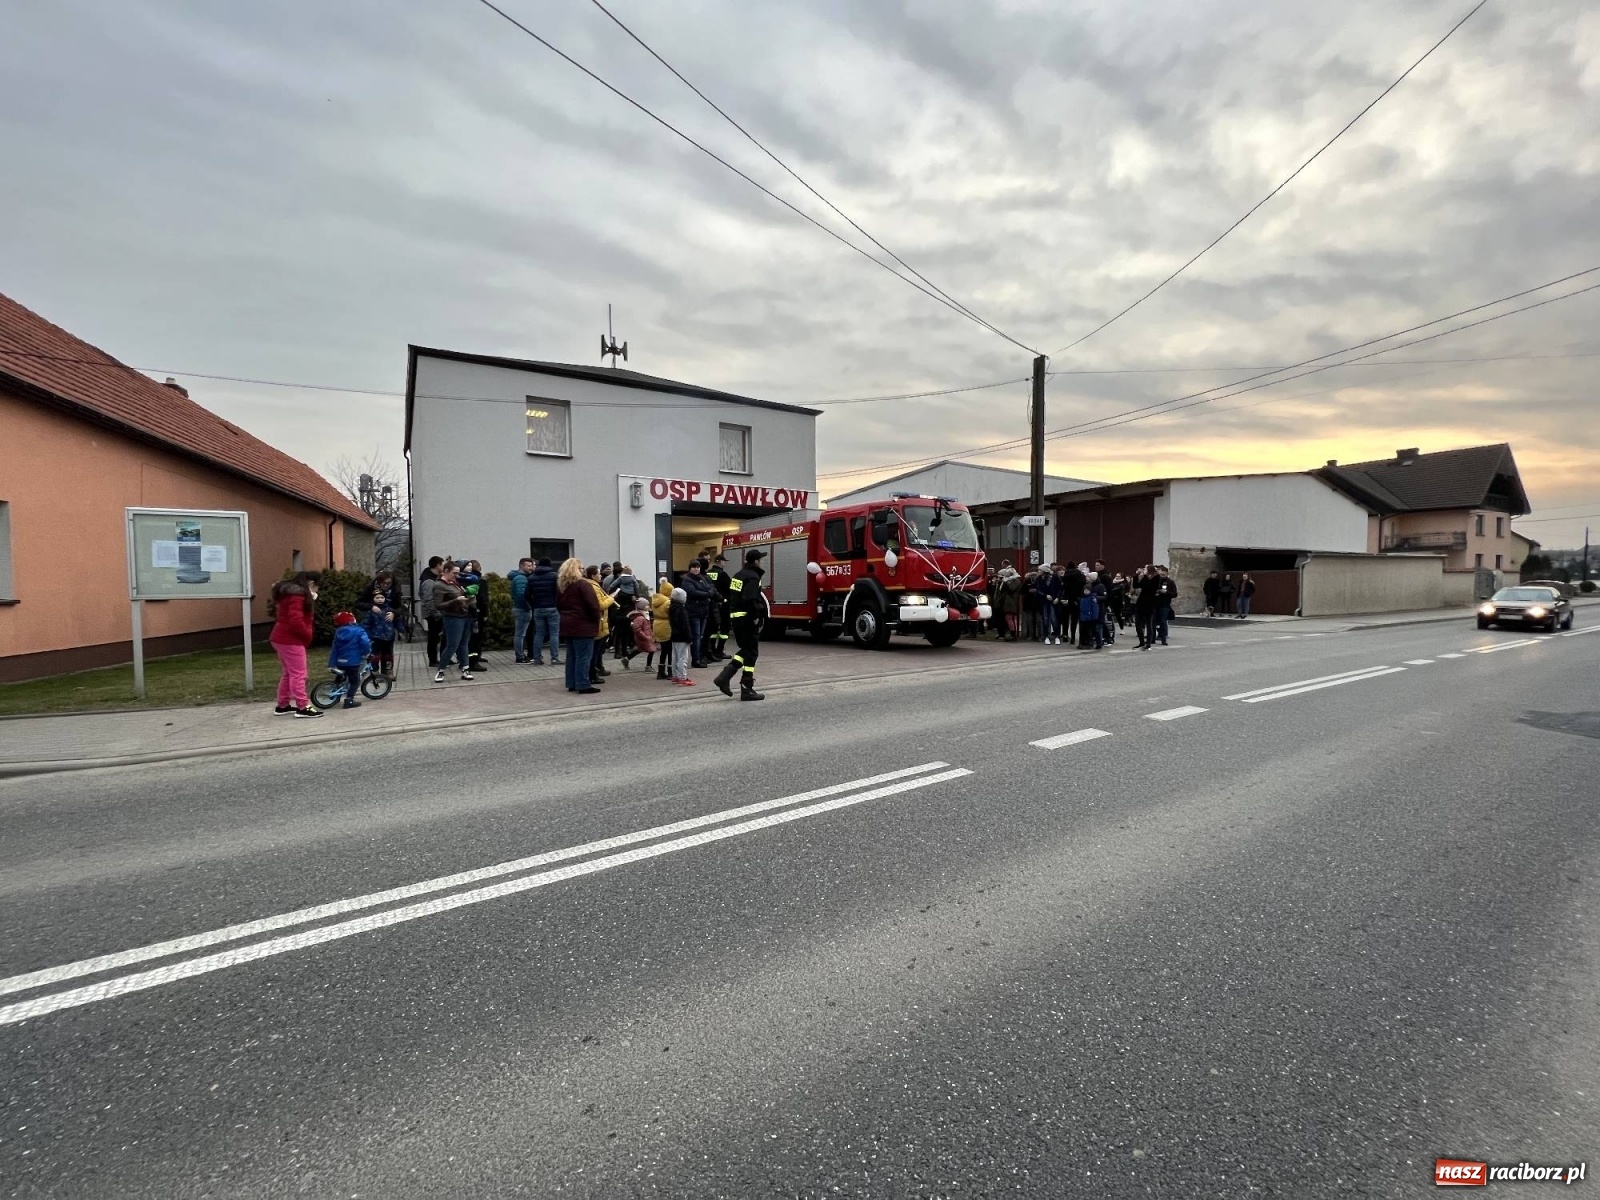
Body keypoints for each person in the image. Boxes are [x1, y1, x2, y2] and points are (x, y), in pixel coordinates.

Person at [714, 548, 769, 701]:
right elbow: (750, 598)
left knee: (746, 650)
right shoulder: (753, 577)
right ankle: (746, 689)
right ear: (756, 561)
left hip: (736, 618)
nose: (762, 561)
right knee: (751, 653)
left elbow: (735, 596)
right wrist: (757, 615)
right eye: (761, 559)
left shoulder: (738, 575)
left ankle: (724, 677)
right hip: (747, 619)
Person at [269, 571, 322, 717]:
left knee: (288, 673)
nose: (317, 590)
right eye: (317, 587)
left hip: (280, 637)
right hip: (290, 639)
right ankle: (303, 706)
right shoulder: (298, 596)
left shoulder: (289, 593)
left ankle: (282, 705)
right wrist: (307, 635)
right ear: (311, 584)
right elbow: (296, 620)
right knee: (299, 674)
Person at [556, 558, 601, 694]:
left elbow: (558, 605)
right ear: (576, 570)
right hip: (583, 624)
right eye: (581, 568)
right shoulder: (583, 585)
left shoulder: (562, 586)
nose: (583, 571)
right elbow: (593, 605)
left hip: (567, 623)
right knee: (583, 656)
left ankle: (572, 682)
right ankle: (583, 684)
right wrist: (596, 618)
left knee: (572, 656)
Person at [431, 562, 475, 682]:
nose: (457, 575)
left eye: (458, 572)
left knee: (464, 644)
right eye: (454, 573)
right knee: (452, 645)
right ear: (446, 571)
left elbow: (463, 594)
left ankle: (466, 669)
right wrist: (455, 601)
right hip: (453, 617)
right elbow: (438, 605)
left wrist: (469, 596)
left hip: (465, 615)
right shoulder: (439, 585)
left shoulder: (455, 582)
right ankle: (441, 671)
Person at [327, 611, 372, 709]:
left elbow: (334, 649)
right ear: (352, 620)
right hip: (353, 662)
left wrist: (331, 664)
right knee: (354, 681)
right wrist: (367, 652)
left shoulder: (338, 632)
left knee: (340, 678)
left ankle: (335, 695)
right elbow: (365, 643)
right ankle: (349, 700)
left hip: (340, 661)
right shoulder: (359, 631)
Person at [681, 558, 717, 668]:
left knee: (701, 636)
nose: (696, 569)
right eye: (694, 567)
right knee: (696, 637)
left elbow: (711, 588)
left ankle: (700, 657)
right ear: (690, 569)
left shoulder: (702, 578)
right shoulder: (687, 580)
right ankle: (696, 660)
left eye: (698, 567)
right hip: (694, 612)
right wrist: (707, 594)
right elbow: (692, 592)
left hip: (703, 612)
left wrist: (708, 592)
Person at [585, 565, 617, 685]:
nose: (600, 576)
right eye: (598, 574)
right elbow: (601, 605)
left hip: (602, 622)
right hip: (599, 622)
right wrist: (611, 598)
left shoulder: (595, 585)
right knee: (594, 651)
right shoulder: (593, 587)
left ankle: (596, 669)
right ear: (593, 575)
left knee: (598, 650)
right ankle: (593, 674)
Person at [528, 557, 562, 665]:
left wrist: (534, 605)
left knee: (539, 633)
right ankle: (554, 658)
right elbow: (560, 592)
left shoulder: (531, 577)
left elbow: (526, 594)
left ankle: (537, 658)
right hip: (552, 607)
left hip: (538, 608)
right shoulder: (554, 576)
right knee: (554, 633)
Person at [459, 559, 490, 673]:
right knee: (475, 639)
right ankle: (473, 662)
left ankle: (466, 660)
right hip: (476, 613)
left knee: (469, 639)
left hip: (468, 612)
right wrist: (485, 613)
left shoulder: (462, 579)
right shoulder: (478, 581)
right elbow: (483, 599)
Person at [361, 584, 397, 677]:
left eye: (382, 597)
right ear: (373, 599)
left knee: (388, 656)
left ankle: (388, 671)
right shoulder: (371, 611)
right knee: (375, 656)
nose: (380, 599)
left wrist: (399, 628)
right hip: (376, 637)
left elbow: (396, 621)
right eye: (377, 597)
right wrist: (369, 635)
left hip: (389, 637)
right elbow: (366, 624)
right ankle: (375, 672)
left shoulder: (389, 609)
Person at [703, 553, 733, 661]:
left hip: (712, 606)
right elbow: (730, 590)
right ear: (720, 561)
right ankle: (720, 651)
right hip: (723, 605)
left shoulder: (708, 573)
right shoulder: (723, 574)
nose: (725, 564)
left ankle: (712, 650)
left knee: (712, 629)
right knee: (724, 629)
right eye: (724, 561)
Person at [419, 556, 444, 667]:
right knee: (434, 636)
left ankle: (436, 658)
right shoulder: (429, 581)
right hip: (433, 613)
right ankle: (433, 659)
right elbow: (428, 599)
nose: (443, 567)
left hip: (434, 612)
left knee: (435, 636)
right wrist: (436, 613)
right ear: (438, 565)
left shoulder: (431, 577)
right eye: (442, 564)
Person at [509, 557, 536, 663]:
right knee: (520, 634)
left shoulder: (520, 577)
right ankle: (520, 656)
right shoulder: (521, 578)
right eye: (529, 566)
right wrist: (528, 607)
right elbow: (521, 595)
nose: (531, 568)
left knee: (520, 634)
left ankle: (520, 655)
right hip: (522, 609)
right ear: (522, 566)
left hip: (519, 608)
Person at [667, 586, 694, 686]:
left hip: (674, 635)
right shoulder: (682, 610)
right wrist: (689, 637)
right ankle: (683, 677)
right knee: (683, 658)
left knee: (675, 657)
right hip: (682, 637)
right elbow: (685, 625)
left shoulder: (671, 608)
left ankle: (675, 676)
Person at [1133, 565, 1162, 651]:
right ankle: (1141, 642)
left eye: (1145, 568)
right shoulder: (1145, 578)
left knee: (1148, 624)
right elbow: (1136, 585)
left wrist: (1144, 576)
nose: (1144, 570)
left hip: (1149, 603)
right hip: (1140, 602)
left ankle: (1148, 643)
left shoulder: (1156, 578)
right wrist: (1136, 576)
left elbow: (1150, 587)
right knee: (1138, 623)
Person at [625, 596, 658, 671]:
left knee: (639, 649)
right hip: (644, 637)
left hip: (646, 636)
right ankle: (648, 666)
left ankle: (627, 658)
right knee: (651, 650)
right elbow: (637, 629)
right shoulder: (640, 617)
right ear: (642, 607)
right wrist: (645, 636)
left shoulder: (644, 615)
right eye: (647, 605)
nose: (648, 607)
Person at [651, 577, 674, 681]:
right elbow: (671, 614)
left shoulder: (655, 600)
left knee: (663, 650)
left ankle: (660, 672)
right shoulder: (668, 602)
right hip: (666, 626)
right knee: (670, 650)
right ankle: (670, 671)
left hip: (657, 624)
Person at [1035, 563, 1063, 645]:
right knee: (1045, 619)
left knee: (1054, 620)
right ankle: (1046, 636)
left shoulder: (1054, 577)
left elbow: (1060, 589)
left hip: (1054, 601)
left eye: (1040, 570)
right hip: (1044, 602)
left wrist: (1058, 598)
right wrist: (1045, 595)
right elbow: (1038, 590)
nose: (1038, 571)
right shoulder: (1039, 579)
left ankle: (1057, 636)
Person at [1061, 561, 1087, 645]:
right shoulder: (1081, 576)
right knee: (1074, 619)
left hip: (1066, 599)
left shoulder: (1065, 576)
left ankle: (1065, 634)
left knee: (1065, 619)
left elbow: (1063, 587)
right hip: (1076, 599)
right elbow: (1083, 586)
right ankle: (1073, 637)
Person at [1155, 566, 1178, 645]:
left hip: (1164, 604)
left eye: (1163, 575)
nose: (1162, 576)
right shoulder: (1156, 581)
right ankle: (1151, 638)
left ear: (1167, 574)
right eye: (1161, 575)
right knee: (1153, 621)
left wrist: (1166, 593)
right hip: (1155, 604)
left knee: (1163, 621)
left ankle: (1163, 638)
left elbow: (1175, 594)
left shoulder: (1170, 582)